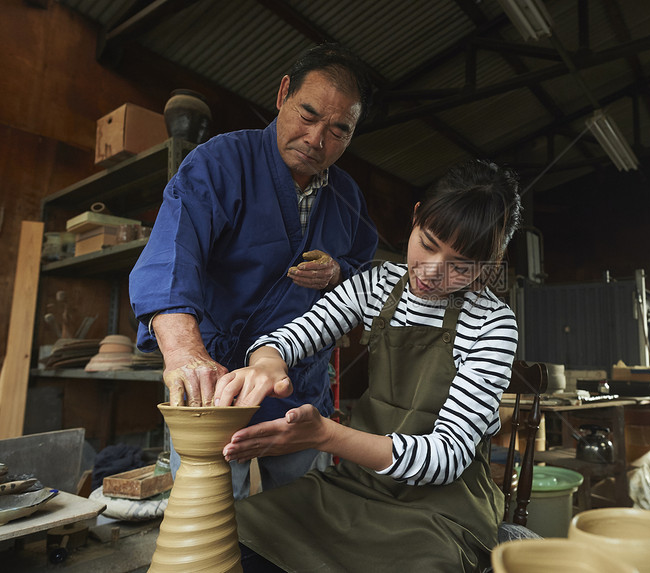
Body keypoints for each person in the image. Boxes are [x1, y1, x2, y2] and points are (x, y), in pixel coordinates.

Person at [214, 159, 522, 573]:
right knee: (235, 531)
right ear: (415, 218)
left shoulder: (493, 324)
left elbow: (445, 458)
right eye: (428, 244)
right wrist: (267, 361)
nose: (432, 272)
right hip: (358, 485)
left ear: (489, 264)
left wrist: (325, 436)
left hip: (443, 510)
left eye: (461, 265)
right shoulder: (376, 285)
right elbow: (291, 336)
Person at [128, 42, 378, 499]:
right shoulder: (219, 163)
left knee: (298, 520)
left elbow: (367, 275)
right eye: (308, 115)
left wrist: (339, 273)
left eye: (339, 130)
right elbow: (171, 254)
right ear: (283, 93)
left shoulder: (347, 198)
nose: (317, 140)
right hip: (216, 382)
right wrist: (184, 351)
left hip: (298, 382)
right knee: (210, 519)